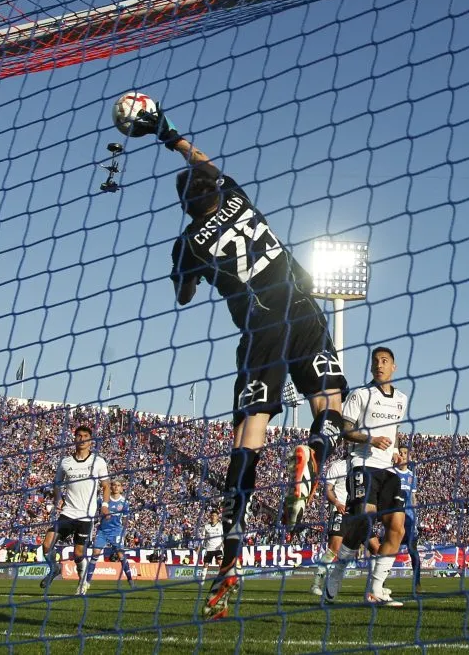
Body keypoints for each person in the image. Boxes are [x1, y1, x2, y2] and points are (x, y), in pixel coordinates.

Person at [127, 102, 349, 620]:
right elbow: (203, 162)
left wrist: (186, 270)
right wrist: (168, 133)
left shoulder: (188, 242)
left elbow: (183, 295)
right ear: (215, 188)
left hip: (260, 327)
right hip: (302, 304)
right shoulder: (237, 197)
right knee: (331, 404)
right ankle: (313, 451)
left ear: (186, 205)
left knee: (248, 436)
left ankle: (231, 553)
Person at [323, 347, 409, 607]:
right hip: (363, 464)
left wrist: (396, 451)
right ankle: (337, 572)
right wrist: (370, 439)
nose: (379, 365)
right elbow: (345, 431)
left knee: (397, 528)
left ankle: (375, 589)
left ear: (393, 366)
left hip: (389, 470)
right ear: (371, 367)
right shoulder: (361, 394)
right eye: (375, 362)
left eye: (384, 361)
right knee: (364, 521)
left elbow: (394, 431)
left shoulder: (402, 399)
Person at [40, 425, 110, 591]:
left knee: (78, 553)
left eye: (85, 436)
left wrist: (105, 506)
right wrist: (58, 499)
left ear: (90, 441)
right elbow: (57, 484)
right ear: (75, 439)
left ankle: (82, 582)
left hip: (86, 516)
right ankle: (55, 568)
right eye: (79, 435)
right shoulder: (65, 462)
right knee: (46, 544)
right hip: (68, 513)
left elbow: (106, 485)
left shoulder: (98, 462)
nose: (82, 439)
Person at [79, 480, 134, 594]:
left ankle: (130, 579)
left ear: (121, 488)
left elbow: (125, 519)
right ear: (111, 487)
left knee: (120, 555)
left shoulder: (124, 502)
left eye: (118, 485)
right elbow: (94, 511)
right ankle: (87, 582)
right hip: (102, 531)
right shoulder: (103, 500)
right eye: (114, 485)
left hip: (116, 531)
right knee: (95, 553)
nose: (116, 487)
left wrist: (123, 532)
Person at [310, 453, 349, 596]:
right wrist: (337, 503)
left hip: (358, 513)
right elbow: (327, 489)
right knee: (334, 549)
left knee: (373, 547)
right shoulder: (337, 466)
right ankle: (316, 584)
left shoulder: (363, 465)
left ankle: (377, 587)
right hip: (340, 511)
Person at [393, 445, 423, 594]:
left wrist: (416, 516)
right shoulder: (392, 473)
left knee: (413, 551)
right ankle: (380, 583)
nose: (402, 455)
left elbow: (413, 497)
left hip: (409, 519)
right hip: (395, 517)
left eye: (405, 453)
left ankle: (417, 583)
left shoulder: (412, 476)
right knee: (389, 551)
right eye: (400, 452)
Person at [198, 510, 223, 583]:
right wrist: (199, 547)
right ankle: (202, 580)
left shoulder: (221, 526)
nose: (213, 517)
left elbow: (224, 537)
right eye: (212, 515)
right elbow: (202, 538)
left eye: (215, 515)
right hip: (209, 549)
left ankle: (222, 579)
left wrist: (223, 544)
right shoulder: (206, 526)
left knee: (220, 563)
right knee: (206, 564)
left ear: (217, 517)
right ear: (210, 517)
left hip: (218, 548)